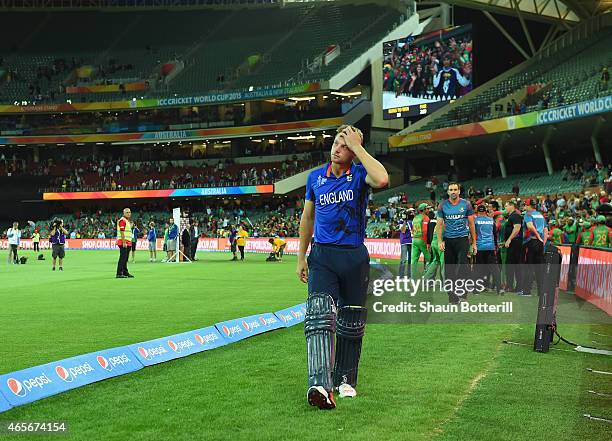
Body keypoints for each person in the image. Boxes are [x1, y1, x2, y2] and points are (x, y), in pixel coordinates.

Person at [296, 124, 388, 409]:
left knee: (351, 322)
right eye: (337, 142)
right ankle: (319, 384)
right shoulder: (315, 178)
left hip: (354, 257)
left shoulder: (360, 174)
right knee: (319, 315)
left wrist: (359, 147)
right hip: (322, 256)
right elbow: (307, 219)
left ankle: (345, 378)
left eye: (345, 145)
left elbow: (382, 179)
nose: (338, 148)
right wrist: (301, 256)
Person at [435, 182, 476, 304]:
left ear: (459, 191)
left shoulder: (466, 204)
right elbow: (439, 224)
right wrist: (439, 241)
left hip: (462, 239)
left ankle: (462, 292)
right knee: (449, 270)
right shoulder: (442, 205)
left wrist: (474, 243)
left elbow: (471, 224)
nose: (453, 191)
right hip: (449, 240)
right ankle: (452, 297)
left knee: (462, 265)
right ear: (448, 192)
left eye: (455, 189)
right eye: (451, 189)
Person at [520, 199, 548, 296]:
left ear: (529, 206)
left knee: (529, 267)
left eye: (525, 205)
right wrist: (543, 242)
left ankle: (527, 291)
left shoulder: (527, 215)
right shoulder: (540, 215)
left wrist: (537, 236)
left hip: (531, 242)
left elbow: (530, 226)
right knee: (540, 268)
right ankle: (541, 291)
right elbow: (545, 229)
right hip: (539, 244)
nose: (524, 207)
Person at [474, 205, 501, 294]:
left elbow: (473, 234)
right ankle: (499, 289)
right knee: (494, 268)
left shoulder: (475, 220)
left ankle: (477, 289)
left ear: (477, 212)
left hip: (480, 247)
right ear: (485, 211)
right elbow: (495, 234)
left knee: (478, 268)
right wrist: (496, 246)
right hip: (490, 246)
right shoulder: (491, 220)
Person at [503, 200, 523, 293]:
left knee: (513, 265)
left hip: (515, 243)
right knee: (511, 265)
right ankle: (511, 286)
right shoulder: (512, 216)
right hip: (514, 243)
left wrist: (509, 239)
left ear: (512, 206)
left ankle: (516, 286)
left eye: (506, 206)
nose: (505, 208)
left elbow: (517, 228)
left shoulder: (515, 215)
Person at [410, 203, 430, 277]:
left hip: (414, 240)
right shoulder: (426, 218)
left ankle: (413, 279)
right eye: (427, 208)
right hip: (422, 240)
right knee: (429, 259)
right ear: (424, 210)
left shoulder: (415, 218)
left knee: (414, 261)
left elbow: (412, 230)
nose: (428, 210)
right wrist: (428, 243)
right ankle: (427, 277)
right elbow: (425, 231)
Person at [116, 208, 134, 278]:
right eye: (127, 212)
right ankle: (119, 273)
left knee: (125, 258)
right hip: (123, 242)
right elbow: (122, 231)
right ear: (124, 213)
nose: (129, 214)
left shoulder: (126, 221)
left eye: (129, 212)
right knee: (123, 258)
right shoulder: (122, 220)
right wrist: (123, 242)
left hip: (128, 242)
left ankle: (125, 272)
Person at [398, 208, 414, 278]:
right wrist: (405, 221)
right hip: (404, 241)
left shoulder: (412, 221)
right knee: (403, 259)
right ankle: (401, 276)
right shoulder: (401, 221)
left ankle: (409, 275)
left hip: (411, 241)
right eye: (411, 212)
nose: (412, 214)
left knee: (410, 259)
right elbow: (403, 230)